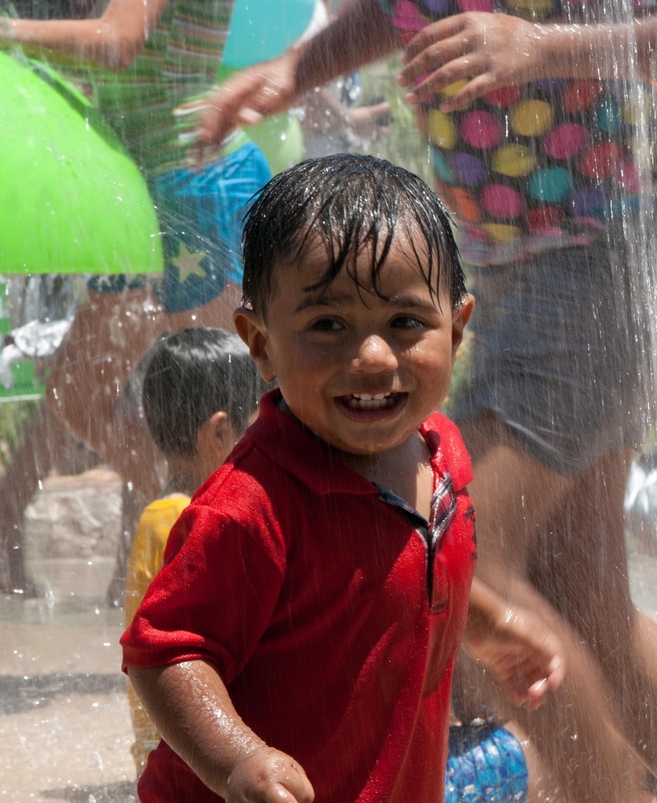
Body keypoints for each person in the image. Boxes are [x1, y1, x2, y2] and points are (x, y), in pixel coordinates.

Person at [196, 0, 657, 799]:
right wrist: (294, 72)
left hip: (612, 245)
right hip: (528, 267)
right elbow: (400, 14)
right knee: (588, 602)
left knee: (449, 537)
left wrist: (542, 46)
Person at [121, 154, 563, 803]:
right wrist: (238, 759)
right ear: (261, 341)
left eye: (406, 322)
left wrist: (487, 625)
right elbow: (166, 655)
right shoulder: (251, 506)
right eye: (328, 326)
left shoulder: (442, 454)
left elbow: (420, 572)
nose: (374, 358)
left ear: (458, 326)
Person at [0, 0, 274, 596]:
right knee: (77, 392)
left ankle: (236, 548)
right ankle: (194, 510)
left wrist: (8, 32)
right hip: (141, 193)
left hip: (196, 181)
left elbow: (116, 42)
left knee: (218, 402)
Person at [123, 328, 271, 774]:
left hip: (177, 752)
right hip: (198, 761)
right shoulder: (190, 522)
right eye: (258, 427)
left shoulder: (159, 515)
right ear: (221, 432)